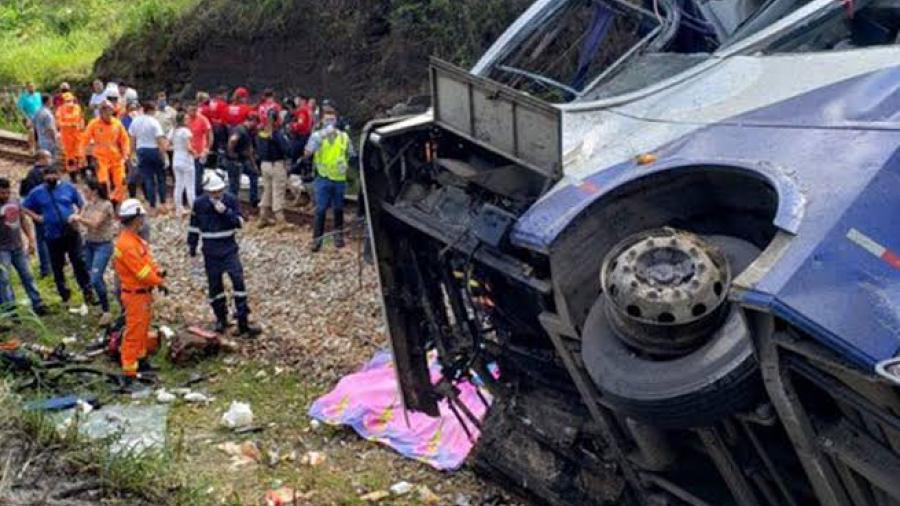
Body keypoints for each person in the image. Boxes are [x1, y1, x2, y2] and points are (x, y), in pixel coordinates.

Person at [188, 174, 261, 337]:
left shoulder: (230, 200)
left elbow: (239, 222)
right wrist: (192, 247)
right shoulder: (199, 204)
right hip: (210, 251)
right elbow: (193, 227)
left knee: (238, 281)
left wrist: (226, 212)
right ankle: (221, 319)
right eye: (213, 192)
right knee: (215, 286)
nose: (216, 195)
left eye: (219, 191)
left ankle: (243, 321)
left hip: (229, 249)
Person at [21, 164, 94, 310]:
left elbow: (81, 204)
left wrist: (78, 216)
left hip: (71, 231)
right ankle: (64, 294)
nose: (50, 178)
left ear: (59, 174)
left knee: (79, 261)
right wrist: (36, 217)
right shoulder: (37, 192)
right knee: (57, 266)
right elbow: (24, 206)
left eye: (53, 175)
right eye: (47, 176)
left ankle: (87, 291)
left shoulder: (68, 188)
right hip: (52, 234)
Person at [113, 199, 167, 381]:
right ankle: (129, 372)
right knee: (133, 333)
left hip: (141, 294)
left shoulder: (134, 240)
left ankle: (141, 361)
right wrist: (159, 281)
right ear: (135, 218)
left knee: (142, 329)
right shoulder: (127, 244)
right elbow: (142, 272)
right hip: (135, 294)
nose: (143, 219)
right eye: (141, 216)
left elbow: (147, 263)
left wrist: (157, 272)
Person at [305, 105, 355, 252]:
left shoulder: (344, 137)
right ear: (322, 121)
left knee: (338, 208)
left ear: (336, 120)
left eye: (332, 119)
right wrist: (317, 141)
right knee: (321, 209)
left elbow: (351, 154)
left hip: (339, 178)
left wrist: (348, 166)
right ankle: (317, 240)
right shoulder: (317, 136)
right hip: (323, 177)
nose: (330, 123)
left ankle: (338, 237)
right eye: (327, 120)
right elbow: (307, 153)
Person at [70, 179, 116, 326]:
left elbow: (95, 223)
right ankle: (103, 304)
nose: (84, 193)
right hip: (89, 243)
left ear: (94, 191)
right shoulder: (88, 205)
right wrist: (74, 220)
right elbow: (81, 220)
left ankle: (107, 310)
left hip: (103, 244)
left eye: (86, 191)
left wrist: (79, 218)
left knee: (95, 278)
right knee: (93, 276)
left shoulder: (106, 205)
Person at [0, 178, 47, 317]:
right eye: (2, 193)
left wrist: (31, 240)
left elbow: (23, 220)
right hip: (2, 249)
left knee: (28, 275)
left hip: (18, 246)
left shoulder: (15, 201)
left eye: (7, 192)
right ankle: (10, 309)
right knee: (4, 280)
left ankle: (37, 303)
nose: (5, 195)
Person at [81, 101, 130, 203]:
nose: (107, 113)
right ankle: (106, 200)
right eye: (104, 110)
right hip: (100, 158)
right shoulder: (94, 124)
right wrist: (83, 156)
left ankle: (116, 201)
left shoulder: (117, 123)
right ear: (100, 112)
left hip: (116, 157)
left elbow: (124, 139)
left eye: (109, 110)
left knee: (121, 182)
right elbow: (84, 140)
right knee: (103, 182)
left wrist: (125, 154)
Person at [128, 101, 169, 213]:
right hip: (154, 149)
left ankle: (152, 205)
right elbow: (159, 139)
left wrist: (132, 153)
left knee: (148, 179)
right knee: (160, 178)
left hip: (141, 150)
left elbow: (132, 138)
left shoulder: (136, 121)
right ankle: (163, 203)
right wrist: (164, 154)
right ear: (151, 110)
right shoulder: (154, 122)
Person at [256, 108, 292, 229]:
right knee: (278, 192)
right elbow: (287, 150)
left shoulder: (261, 132)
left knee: (267, 191)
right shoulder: (277, 134)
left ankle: (263, 217)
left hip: (264, 164)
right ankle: (280, 220)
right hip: (276, 165)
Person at [19, 151, 52, 279]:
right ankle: (47, 268)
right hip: (43, 212)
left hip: (39, 212)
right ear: (42, 158)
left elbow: (24, 194)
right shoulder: (41, 173)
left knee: (44, 240)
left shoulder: (31, 174)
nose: (51, 159)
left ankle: (47, 268)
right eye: (49, 157)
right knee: (45, 240)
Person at [225, 113, 259, 205]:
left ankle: (253, 199)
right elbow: (232, 140)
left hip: (243, 159)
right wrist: (231, 153)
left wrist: (254, 165)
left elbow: (249, 150)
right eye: (256, 123)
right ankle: (231, 204)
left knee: (254, 174)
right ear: (253, 121)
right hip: (235, 160)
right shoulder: (240, 130)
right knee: (234, 185)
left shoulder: (248, 131)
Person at [170, 112, 198, 217]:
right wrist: (195, 153)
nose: (188, 120)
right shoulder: (186, 131)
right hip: (186, 160)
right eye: (186, 118)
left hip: (176, 159)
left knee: (178, 185)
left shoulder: (173, 131)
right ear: (183, 120)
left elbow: (168, 144)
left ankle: (179, 209)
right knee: (190, 186)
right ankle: (194, 208)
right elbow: (188, 147)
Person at [55, 92, 86, 181]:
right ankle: (73, 176)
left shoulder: (77, 108)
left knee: (80, 155)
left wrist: (81, 126)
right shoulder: (60, 110)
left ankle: (83, 174)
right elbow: (58, 123)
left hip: (78, 136)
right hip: (67, 138)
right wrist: (70, 125)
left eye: (70, 100)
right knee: (70, 157)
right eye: (67, 101)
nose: (69, 103)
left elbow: (81, 119)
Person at [186, 103, 212, 197]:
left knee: (197, 176)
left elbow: (209, 135)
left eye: (194, 110)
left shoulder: (203, 119)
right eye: (190, 110)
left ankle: (198, 196)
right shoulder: (186, 119)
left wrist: (207, 148)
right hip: (187, 152)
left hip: (199, 152)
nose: (192, 112)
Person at [289, 95, 313, 169]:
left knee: (296, 156)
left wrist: (292, 125)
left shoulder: (302, 110)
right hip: (307, 135)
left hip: (300, 136)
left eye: (298, 99)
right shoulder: (309, 109)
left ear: (303, 100)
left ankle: (296, 171)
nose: (296, 101)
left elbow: (300, 125)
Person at [32, 95, 59, 160]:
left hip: (41, 140)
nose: (52, 102)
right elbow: (50, 129)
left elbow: (32, 124)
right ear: (48, 101)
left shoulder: (37, 112)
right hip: (49, 142)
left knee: (43, 160)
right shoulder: (48, 114)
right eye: (51, 101)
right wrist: (55, 140)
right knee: (51, 161)